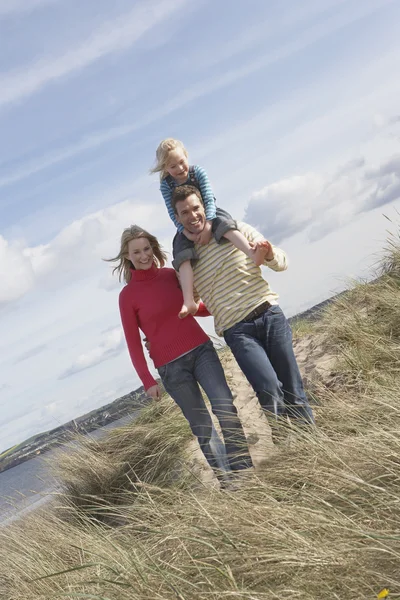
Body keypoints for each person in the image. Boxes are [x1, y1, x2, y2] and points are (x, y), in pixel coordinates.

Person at [106, 225, 253, 484]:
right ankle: (229, 482)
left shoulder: (169, 275)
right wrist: (147, 381)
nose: (143, 256)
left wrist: (224, 306)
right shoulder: (127, 297)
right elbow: (133, 342)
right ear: (127, 256)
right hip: (171, 368)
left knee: (224, 406)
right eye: (136, 252)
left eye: (147, 249)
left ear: (153, 247)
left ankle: (244, 471)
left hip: (201, 350)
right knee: (202, 427)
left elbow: (193, 307)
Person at [170, 185, 315, 434]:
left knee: (293, 387)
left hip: (269, 314)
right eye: (184, 212)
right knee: (268, 389)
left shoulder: (234, 229)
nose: (192, 216)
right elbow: (192, 303)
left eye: (195, 208)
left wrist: (268, 254)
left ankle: (312, 446)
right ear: (177, 218)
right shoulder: (187, 261)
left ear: (204, 206)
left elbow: (282, 262)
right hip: (238, 331)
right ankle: (287, 447)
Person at [150, 138, 267, 319]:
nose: (180, 169)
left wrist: (208, 225)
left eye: (182, 162)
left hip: (209, 212)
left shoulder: (198, 173)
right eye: (173, 166)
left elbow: (209, 198)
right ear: (166, 168)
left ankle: (251, 252)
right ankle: (189, 299)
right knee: (181, 253)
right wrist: (185, 231)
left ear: (186, 157)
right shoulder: (166, 185)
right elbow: (172, 212)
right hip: (185, 223)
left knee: (227, 225)